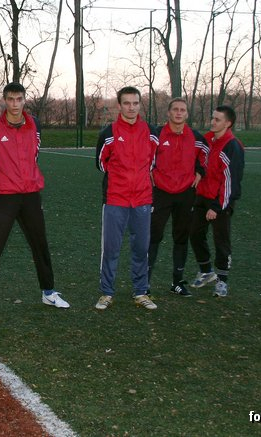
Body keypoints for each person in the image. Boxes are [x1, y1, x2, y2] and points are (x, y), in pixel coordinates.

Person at [0, 82, 70, 315]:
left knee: (40, 244)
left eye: (19, 99)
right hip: (4, 196)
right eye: (10, 99)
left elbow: (34, 154)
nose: (15, 104)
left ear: (24, 100)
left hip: (30, 195)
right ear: (5, 100)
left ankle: (48, 292)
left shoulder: (34, 125)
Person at [94, 86, 158, 311]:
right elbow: (101, 163)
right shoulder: (108, 133)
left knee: (141, 248)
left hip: (142, 199)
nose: (131, 107)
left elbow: (153, 162)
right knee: (111, 249)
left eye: (135, 103)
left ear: (140, 104)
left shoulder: (151, 132)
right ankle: (106, 292)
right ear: (119, 105)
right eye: (127, 103)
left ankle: (141, 292)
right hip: (115, 199)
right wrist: (121, 176)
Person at [149, 97, 208, 297]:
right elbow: (146, 155)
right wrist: (150, 172)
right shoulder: (157, 134)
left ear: (187, 114)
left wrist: (200, 171)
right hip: (160, 192)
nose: (179, 113)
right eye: (175, 109)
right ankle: (144, 283)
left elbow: (205, 156)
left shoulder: (197, 138)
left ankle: (177, 282)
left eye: (182, 110)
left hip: (186, 193)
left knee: (181, 237)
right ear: (168, 112)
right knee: (153, 236)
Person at [189, 105, 245, 297]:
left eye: (217, 119)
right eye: (212, 118)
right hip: (201, 197)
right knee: (195, 233)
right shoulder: (207, 139)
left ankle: (222, 281)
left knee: (221, 240)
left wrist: (217, 206)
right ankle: (206, 271)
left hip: (221, 201)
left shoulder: (232, 146)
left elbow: (231, 181)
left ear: (228, 123)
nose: (212, 122)